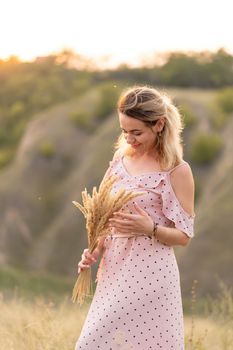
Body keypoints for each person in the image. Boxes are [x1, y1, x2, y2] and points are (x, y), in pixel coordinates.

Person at [75, 85, 195, 350]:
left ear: (159, 125)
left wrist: (150, 228)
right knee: (92, 343)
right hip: (115, 269)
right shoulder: (120, 160)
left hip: (152, 274)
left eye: (136, 132)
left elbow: (184, 236)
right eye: (124, 131)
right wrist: (94, 250)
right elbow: (105, 218)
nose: (129, 138)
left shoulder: (177, 170)